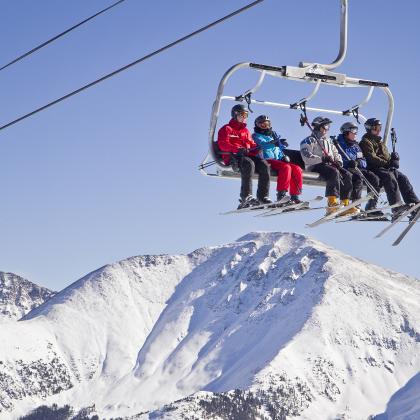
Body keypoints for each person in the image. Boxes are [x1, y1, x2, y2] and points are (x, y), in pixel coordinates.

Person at [359, 118, 419, 220]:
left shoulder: (380, 142)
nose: (378, 130)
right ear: (370, 129)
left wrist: (394, 159)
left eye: (379, 128)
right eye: (376, 128)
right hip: (374, 168)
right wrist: (388, 163)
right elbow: (371, 157)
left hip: (384, 167)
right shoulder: (365, 141)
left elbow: (386, 157)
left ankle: (414, 203)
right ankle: (396, 206)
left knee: (402, 177)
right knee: (389, 177)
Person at [300, 116, 358, 216]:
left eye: (328, 126)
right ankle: (332, 201)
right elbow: (306, 156)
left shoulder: (328, 141)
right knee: (333, 172)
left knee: (347, 174)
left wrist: (338, 161)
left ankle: (345, 203)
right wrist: (321, 158)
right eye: (326, 126)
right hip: (315, 165)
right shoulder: (309, 140)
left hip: (328, 165)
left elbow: (336, 153)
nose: (327, 129)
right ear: (319, 127)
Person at [217, 104, 272, 209]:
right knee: (248, 164)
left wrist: (257, 148)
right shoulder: (227, 129)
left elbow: (251, 144)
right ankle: (246, 196)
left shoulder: (245, 131)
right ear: (235, 115)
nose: (244, 118)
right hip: (233, 157)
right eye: (242, 115)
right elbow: (222, 144)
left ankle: (263, 196)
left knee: (264, 165)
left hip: (246, 156)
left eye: (246, 115)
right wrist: (236, 149)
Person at [251, 115, 304, 205]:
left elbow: (277, 149)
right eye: (262, 125)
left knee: (297, 169)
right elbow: (262, 145)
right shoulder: (256, 136)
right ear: (257, 125)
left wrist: (282, 156)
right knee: (286, 167)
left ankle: (295, 196)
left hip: (277, 160)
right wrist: (274, 143)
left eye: (267, 124)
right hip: (266, 160)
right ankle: (281, 195)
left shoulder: (272, 136)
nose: (265, 126)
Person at [335, 121, 383, 216]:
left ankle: (372, 205)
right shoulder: (339, 144)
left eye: (356, 130)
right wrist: (348, 163)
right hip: (347, 168)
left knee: (374, 178)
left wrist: (358, 162)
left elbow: (363, 160)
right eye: (353, 130)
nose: (356, 133)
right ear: (346, 132)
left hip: (358, 168)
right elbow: (337, 158)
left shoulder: (356, 146)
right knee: (357, 178)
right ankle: (356, 205)